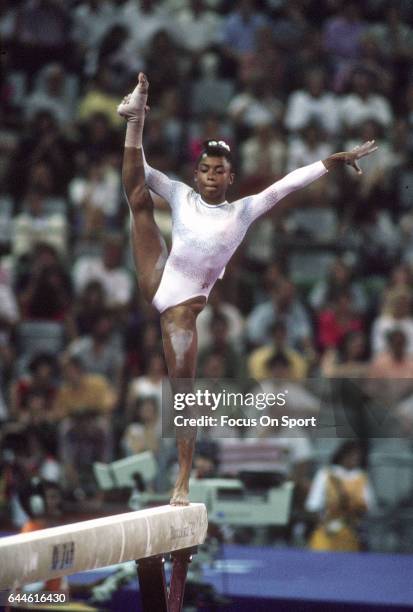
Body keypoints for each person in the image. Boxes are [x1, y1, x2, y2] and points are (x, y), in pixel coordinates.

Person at [117, 72, 378, 505]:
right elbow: (137, 171)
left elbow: (288, 183)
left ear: (231, 177)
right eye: (205, 169)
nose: (211, 176)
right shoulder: (180, 195)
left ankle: (182, 482)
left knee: (184, 395)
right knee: (138, 197)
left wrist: (333, 160)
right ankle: (135, 113)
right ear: (197, 174)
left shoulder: (243, 211)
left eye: (219, 171)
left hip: (181, 309)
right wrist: (133, 130)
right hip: (159, 276)